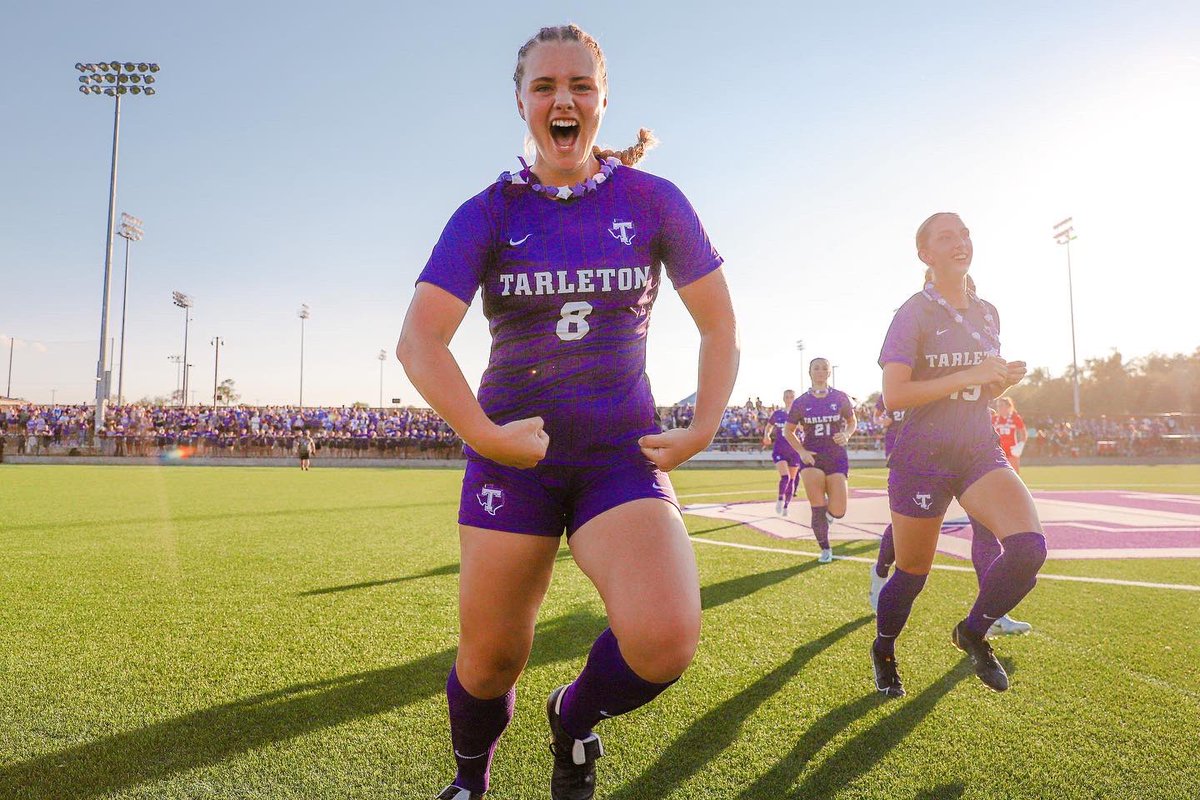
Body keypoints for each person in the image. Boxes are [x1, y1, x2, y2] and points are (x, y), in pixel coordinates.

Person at [395, 24, 738, 800]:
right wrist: (485, 436)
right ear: (520, 100)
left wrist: (705, 424)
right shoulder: (487, 213)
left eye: (580, 86)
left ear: (603, 103)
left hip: (619, 458)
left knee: (665, 639)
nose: (563, 99)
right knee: (488, 662)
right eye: (545, 86)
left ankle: (573, 716)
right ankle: (470, 781)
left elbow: (719, 324)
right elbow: (419, 342)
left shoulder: (653, 200)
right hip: (513, 460)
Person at [872, 211, 1045, 699]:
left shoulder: (988, 311)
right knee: (912, 572)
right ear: (925, 254)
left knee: (1029, 549)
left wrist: (997, 381)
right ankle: (884, 649)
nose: (959, 242)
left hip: (976, 447)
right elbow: (895, 396)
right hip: (922, 455)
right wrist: (969, 377)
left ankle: (973, 631)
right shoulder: (913, 312)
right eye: (945, 237)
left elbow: (978, 392)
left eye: (964, 233)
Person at [870, 391, 1033, 638]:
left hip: (968, 456)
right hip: (918, 460)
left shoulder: (970, 363)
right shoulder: (908, 374)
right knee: (908, 529)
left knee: (985, 530)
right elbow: (885, 409)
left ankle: (991, 616)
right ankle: (880, 571)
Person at [782, 358, 856, 563]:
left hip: (836, 455)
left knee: (839, 510)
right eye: (817, 368)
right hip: (812, 457)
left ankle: (828, 519)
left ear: (829, 372)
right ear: (810, 372)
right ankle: (825, 548)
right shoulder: (801, 401)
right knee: (817, 505)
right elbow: (788, 431)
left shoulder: (840, 397)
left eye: (825, 368)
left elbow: (852, 421)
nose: (821, 371)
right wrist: (801, 451)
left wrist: (848, 434)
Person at [761, 389, 801, 516]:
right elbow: (769, 426)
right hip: (780, 449)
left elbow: (807, 429)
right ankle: (779, 499)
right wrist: (767, 435)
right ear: (784, 398)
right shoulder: (778, 413)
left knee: (792, 479)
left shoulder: (799, 414)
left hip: (795, 450)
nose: (789, 399)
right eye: (787, 397)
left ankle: (786, 506)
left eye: (791, 397)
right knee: (786, 477)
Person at [992, 395, 1027, 472]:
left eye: (1001, 405)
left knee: (1015, 473)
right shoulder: (994, 418)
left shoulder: (1015, 417)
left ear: (1008, 406)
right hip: (998, 450)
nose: (999, 408)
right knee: (998, 474)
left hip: (1012, 450)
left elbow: (1023, 432)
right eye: (998, 406)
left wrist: (1020, 445)